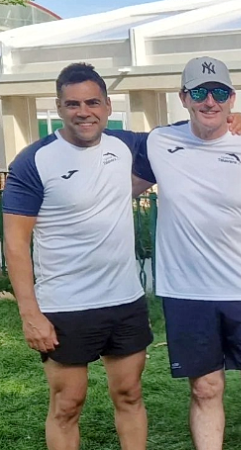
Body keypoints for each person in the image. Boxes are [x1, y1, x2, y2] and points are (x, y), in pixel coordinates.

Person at [132, 56, 241, 450]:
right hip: (186, 290)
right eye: (199, 92)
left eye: (218, 92)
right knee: (205, 388)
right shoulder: (158, 142)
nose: (209, 101)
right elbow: (111, 184)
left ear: (232, 98)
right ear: (184, 97)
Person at [3, 63, 152, 450]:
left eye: (92, 102)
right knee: (67, 405)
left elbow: (185, 141)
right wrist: (30, 315)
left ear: (107, 105)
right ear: (58, 107)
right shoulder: (34, 160)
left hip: (124, 300)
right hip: (65, 305)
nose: (84, 112)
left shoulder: (127, 146)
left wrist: (239, 121)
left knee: (130, 395)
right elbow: (15, 243)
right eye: (72, 104)